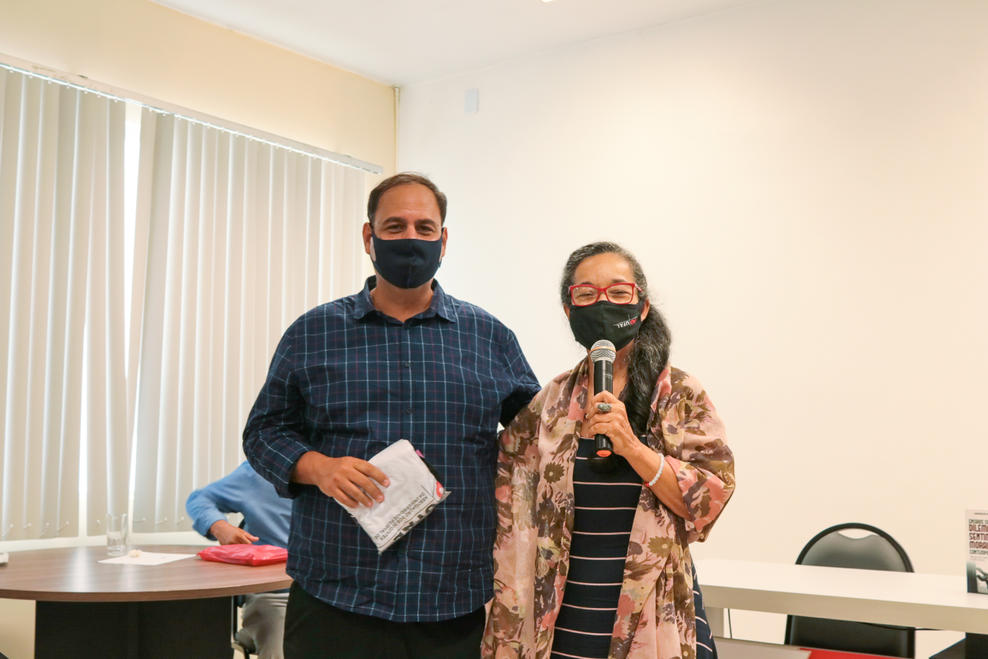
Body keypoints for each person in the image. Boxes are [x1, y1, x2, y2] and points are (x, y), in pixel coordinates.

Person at [243, 172, 541, 659]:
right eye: (395, 226)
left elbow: (535, 436)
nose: (410, 239)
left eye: (425, 229)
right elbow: (263, 432)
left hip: (451, 597)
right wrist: (319, 467)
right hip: (336, 593)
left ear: (443, 241)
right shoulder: (313, 332)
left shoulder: (490, 337)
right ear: (369, 236)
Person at [482, 242, 735, 659]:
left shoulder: (680, 395)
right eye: (587, 294)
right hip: (562, 621)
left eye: (619, 293)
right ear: (569, 310)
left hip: (649, 619)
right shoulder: (549, 404)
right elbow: (504, 494)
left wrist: (633, 447)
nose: (604, 304)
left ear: (643, 306)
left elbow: (710, 498)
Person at [185, 460, 292, 659]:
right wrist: (219, 527)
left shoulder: (354, 472)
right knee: (282, 638)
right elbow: (199, 499)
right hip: (274, 595)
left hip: (332, 595)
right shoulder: (260, 472)